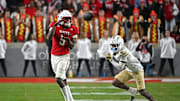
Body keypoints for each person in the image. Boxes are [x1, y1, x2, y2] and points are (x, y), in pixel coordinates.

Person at [105, 35, 156, 101]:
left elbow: (120, 67)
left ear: (120, 44)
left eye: (114, 45)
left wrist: (111, 59)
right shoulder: (118, 50)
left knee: (142, 92)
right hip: (129, 69)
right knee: (115, 82)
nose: (113, 47)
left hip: (137, 71)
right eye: (112, 45)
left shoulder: (124, 52)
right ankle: (132, 90)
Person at [47, 10, 79, 101]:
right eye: (66, 19)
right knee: (63, 80)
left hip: (64, 56)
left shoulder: (73, 29)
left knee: (58, 78)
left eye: (69, 19)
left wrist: (69, 42)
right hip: (54, 55)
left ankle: (68, 100)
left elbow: (72, 46)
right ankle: (71, 99)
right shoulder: (55, 25)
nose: (68, 21)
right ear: (61, 19)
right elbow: (49, 37)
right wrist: (55, 26)